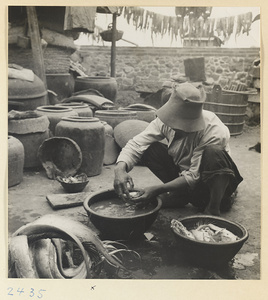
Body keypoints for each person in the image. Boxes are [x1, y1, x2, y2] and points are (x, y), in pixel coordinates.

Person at [113, 82, 243, 216]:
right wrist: (120, 169)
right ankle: (180, 195)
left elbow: (193, 176)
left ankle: (214, 207)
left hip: (210, 183)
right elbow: (137, 143)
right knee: (148, 148)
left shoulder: (214, 130)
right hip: (184, 175)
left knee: (213, 152)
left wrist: (157, 190)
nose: (175, 126)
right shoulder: (165, 119)